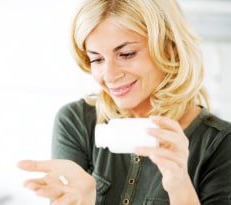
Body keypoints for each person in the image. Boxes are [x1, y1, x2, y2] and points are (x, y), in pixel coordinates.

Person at [17, 0, 231, 204]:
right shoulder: (77, 121)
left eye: (126, 54)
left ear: (170, 48)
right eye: (97, 59)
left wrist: (180, 188)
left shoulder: (220, 144)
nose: (109, 76)